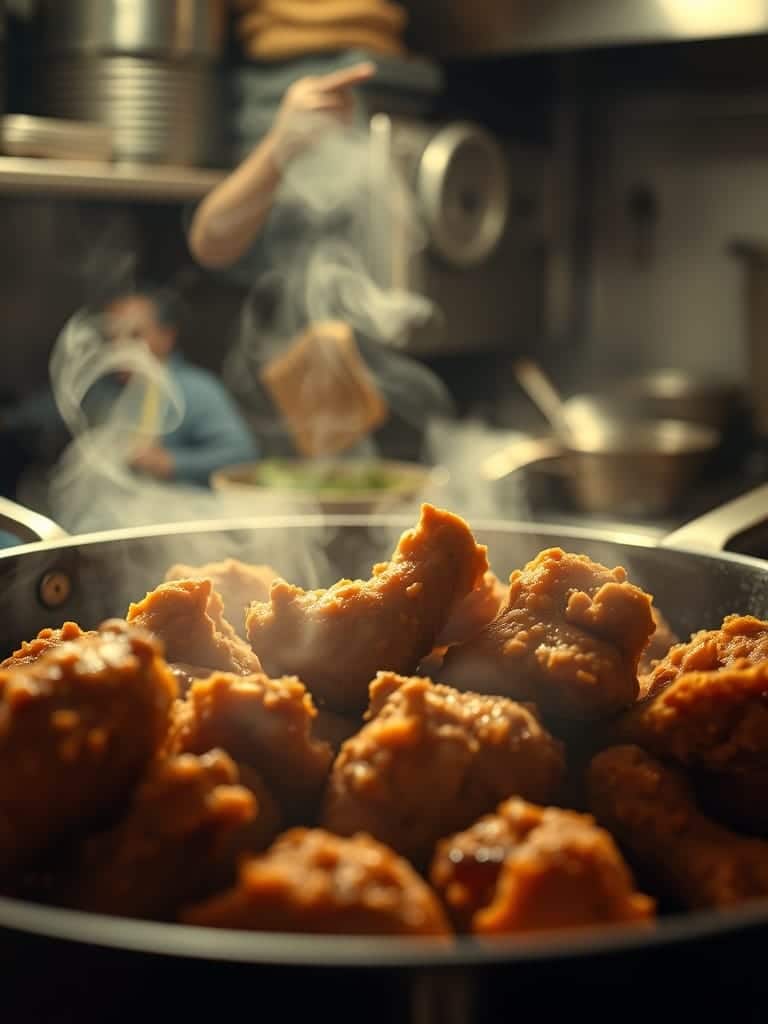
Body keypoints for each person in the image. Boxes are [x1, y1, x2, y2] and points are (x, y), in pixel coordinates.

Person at [186, 62, 455, 460]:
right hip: (274, 413)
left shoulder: (399, 138)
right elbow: (209, 242)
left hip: (388, 401)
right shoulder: (276, 130)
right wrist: (280, 147)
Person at [5, 286, 258, 490]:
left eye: (135, 335)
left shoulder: (197, 390)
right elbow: (42, 412)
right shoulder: (102, 389)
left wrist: (168, 462)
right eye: (112, 337)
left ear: (166, 337)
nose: (121, 347)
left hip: (175, 518)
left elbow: (242, 456)